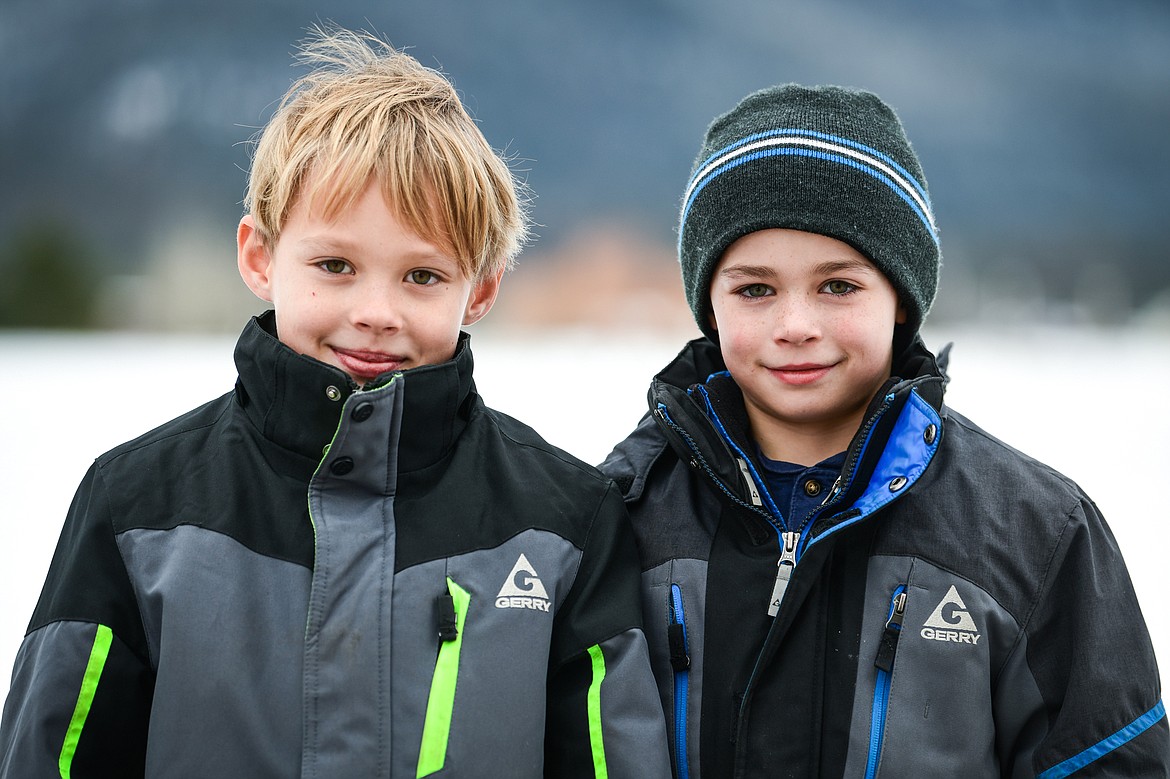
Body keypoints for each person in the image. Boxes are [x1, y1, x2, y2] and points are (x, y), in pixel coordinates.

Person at [0, 26, 669, 778]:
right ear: (260, 256)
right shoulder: (135, 506)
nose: (376, 309)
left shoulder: (565, 523)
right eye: (335, 264)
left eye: (422, 276)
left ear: (479, 289)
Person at [599, 83, 1168, 777]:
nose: (796, 324)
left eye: (838, 285)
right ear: (708, 305)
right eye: (755, 289)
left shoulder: (1036, 531)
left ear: (900, 298)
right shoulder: (617, 515)